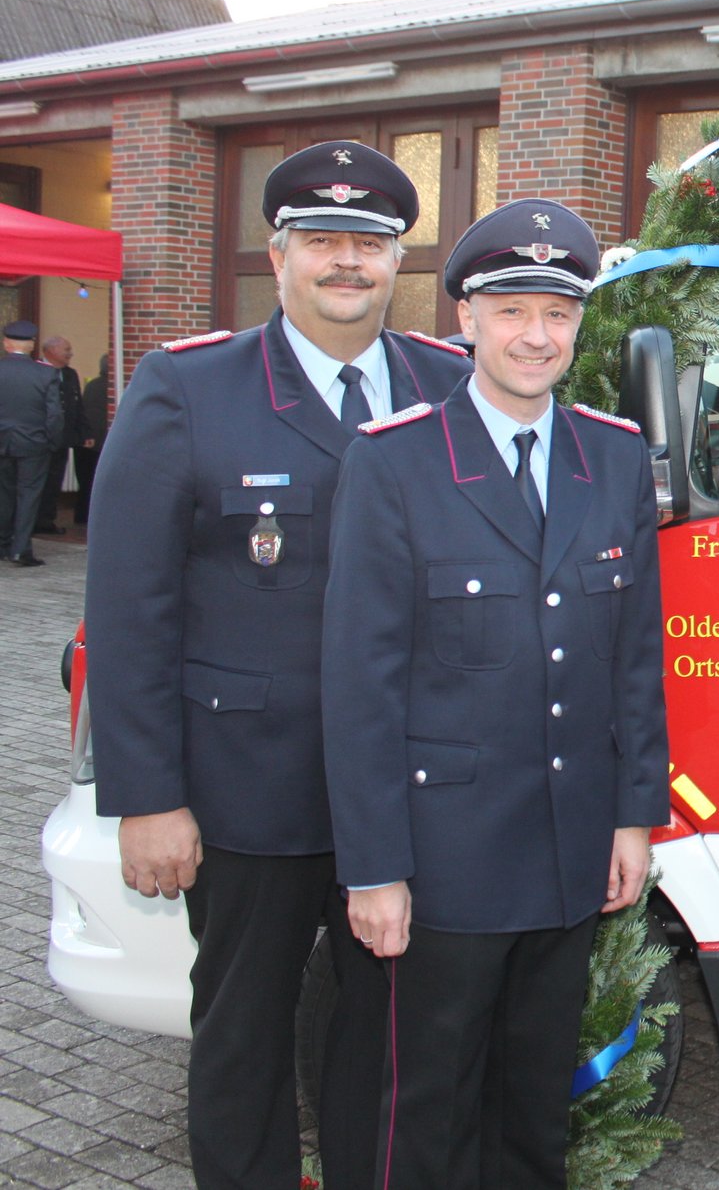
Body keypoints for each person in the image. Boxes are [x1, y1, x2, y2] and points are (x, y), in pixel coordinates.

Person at [86, 140, 473, 1190]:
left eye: (371, 242)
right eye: (323, 241)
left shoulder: (454, 384)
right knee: (244, 1036)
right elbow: (128, 609)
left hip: (404, 792)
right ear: (279, 252)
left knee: (380, 1037)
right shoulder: (187, 387)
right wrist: (146, 797)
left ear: (401, 258)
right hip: (250, 788)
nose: (347, 262)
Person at [323, 199, 670, 1190]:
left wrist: (631, 823)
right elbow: (360, 688)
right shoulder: (393, 461)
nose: (535, 335)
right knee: (422, 1109)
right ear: (464, 318)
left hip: (565, 850)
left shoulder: (608, 455)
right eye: (511, 309)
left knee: (531, 1106)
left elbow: (631, 664)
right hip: (445, 863)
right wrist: (375, 871)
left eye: (557, 315)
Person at [0, 319, 62, 565]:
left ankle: (3, 544)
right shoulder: (46, 373)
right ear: (31, 345)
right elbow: (55, 414)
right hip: (34, 443)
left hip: (2, 442)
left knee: (3, 495)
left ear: (6, 343)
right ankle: (20, 549)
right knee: (29, 495)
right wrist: (53, 441)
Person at [34, 333, 83, 534]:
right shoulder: (36, 371)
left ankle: (46, 520)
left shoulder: (70, 374)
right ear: (52, 351)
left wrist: (82, 432)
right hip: (40, 437)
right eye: (66, 350)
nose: (70, 354)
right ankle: (31, 521)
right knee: (37, 481)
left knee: (55, 480)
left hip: (62, 438)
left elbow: (76, 406)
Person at [74, 351, 109, 526]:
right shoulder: (110, 387)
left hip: (87, 441)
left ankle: (81, 516)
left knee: (85, 483)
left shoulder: (92, 385)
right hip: (101, 443)